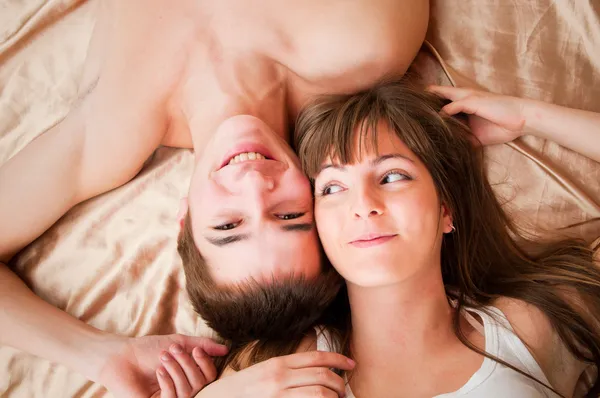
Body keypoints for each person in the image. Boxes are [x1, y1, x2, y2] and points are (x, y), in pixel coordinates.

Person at [0, 0, 429, 396]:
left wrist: (103, 355)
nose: (252, 184)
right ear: (318, 192)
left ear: (184, 217)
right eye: (288, 214)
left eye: (228, 225)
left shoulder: (110, 133)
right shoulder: (365, 42)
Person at [285, 80, 598, 397]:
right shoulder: (289, 367)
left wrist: (525, 116)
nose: (363, 206)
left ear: (445, 208)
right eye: (333, 188)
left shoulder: (534, 328)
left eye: (393, 176)